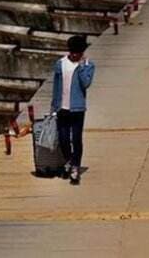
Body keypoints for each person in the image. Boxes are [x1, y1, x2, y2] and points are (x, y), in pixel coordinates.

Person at [50, 35, 95, 185]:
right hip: (62, 107)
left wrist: (82, 67)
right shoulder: (60, 64)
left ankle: (75, 166)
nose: (75, 55)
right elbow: (56, 86)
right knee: (63, 138)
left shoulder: (88, 65)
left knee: (76, 138)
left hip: (77, 108)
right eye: (73, 52)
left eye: (78, 53)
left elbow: (86, 83)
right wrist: (53, 106)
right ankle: (69, 160)